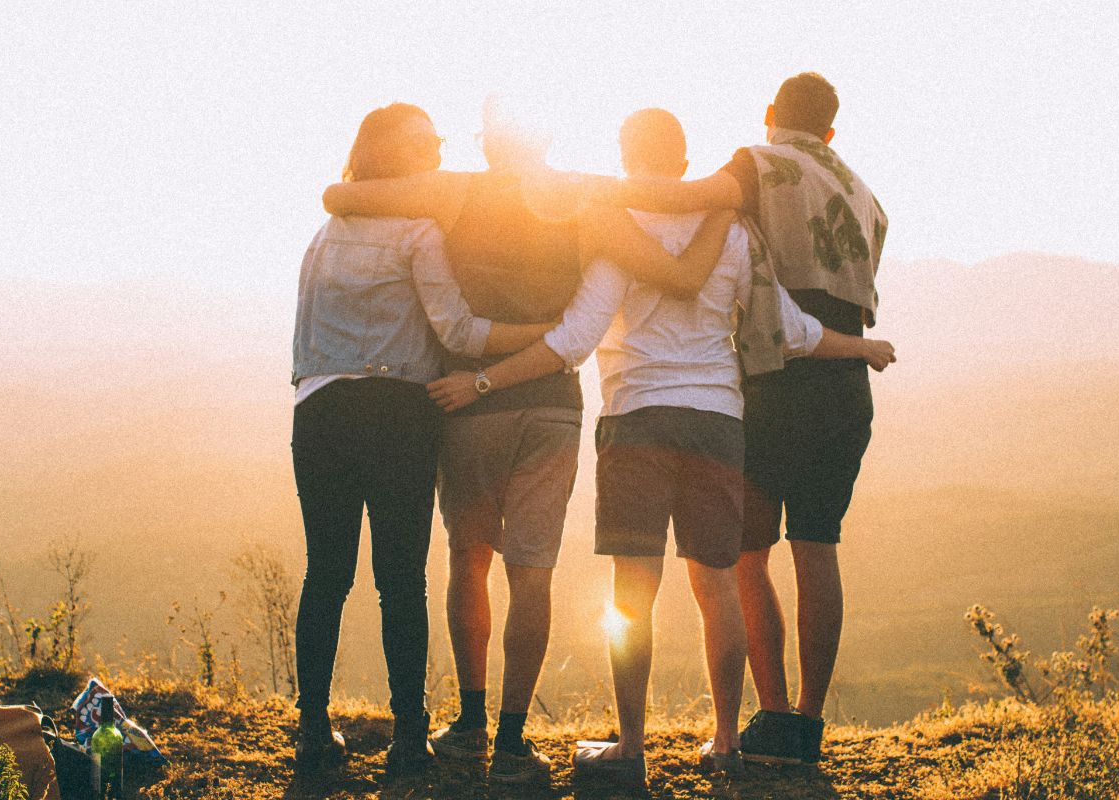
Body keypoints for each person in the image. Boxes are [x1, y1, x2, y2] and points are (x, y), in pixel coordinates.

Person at [427, 108, 895, 790]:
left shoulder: (616, 228)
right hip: (717, 423)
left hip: (636, 420)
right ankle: (728, 743)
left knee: (632, 593)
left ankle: (632, 748)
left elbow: (576, 338)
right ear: (684, 162)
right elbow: (789, 328)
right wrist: (860, 348)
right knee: (717, 585)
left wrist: (484, 379)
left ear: (625, 155)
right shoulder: (733, 231)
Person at [320, 98, 733, 784]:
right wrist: (723, 205)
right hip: (550, 406)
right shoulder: (583, 200)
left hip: (467, 401)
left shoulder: (454, 192)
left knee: (468, 556)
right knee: (531, 571)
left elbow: (344, 194)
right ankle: (513, 739)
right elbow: (672, 272)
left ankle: (470, 721)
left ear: (487, 145)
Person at [598, 73, 890, 765]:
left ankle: (772, 717)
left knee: (746, 557)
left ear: (769, 116)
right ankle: (808, 728)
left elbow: (686, 198)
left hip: (777, 377)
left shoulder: (758, 164)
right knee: (818, 547)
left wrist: (586, 194)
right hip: (845, 382)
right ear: (831, 130)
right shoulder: (864, 193)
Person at [289, 102, 559, 779]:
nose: (439, 151)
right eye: (428, 142)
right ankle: (409, 738)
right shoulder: (418, 233)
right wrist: (544, 336)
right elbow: (460, 334)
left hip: (319, 410)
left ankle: (313, 733)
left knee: (326, 574)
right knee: (400, 580)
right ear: (398, 156)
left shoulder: (324, 235)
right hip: (398, 415)